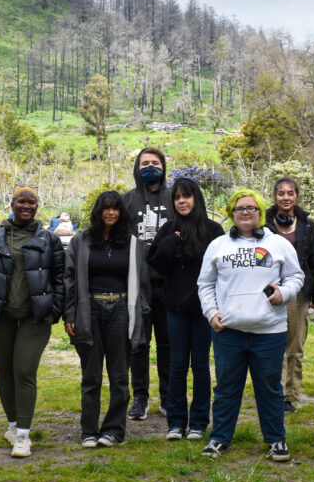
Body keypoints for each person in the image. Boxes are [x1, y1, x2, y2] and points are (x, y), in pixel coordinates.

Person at [197, 189, 304, 461]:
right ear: (232, 214)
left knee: (270, 389)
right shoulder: (218, 245)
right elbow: (205, 284)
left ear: (260, 212)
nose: (245, 212)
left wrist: (285, 293)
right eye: (239, 208)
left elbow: (295, 277)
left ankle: (276, 440)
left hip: (269, 331)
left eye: (251, 208)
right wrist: (211, 313)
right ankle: (220, 439)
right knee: (226, 388)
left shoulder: (279, 244)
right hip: (228, 331)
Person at [0, 185, 65, 458]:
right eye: (21, 202)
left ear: (37, 206)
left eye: (31, 202)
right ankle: (12, 425)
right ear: (11, 204)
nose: (26, 206)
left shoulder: (49, 240)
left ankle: (23, 434)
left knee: (24, 370)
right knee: (6, 372)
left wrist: (54, 309)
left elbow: (59, 278)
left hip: (36, 317)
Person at [64, 191, 150, 447]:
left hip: (122, 310)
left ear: (122, 213)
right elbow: (68, 278)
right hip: (88, 310)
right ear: (98, 211)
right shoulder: (81, 241)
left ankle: (114, 430)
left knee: (120, 375)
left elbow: (143, 282)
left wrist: (141, 314)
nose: (110, 213)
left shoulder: (133, 244)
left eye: (115, 208)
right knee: (91, 376)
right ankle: (89, 431)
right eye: (106, 208)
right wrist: (70, 314)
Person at [149, 178, 225, 440]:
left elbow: (222, 271)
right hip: (175, 309)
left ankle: (199, 422)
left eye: (187, 196)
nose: (182, 201)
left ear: (197, 199)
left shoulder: (214, 230)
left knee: (201, 365)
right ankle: (176, 422)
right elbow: (157, 264)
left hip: (205, 309)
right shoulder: (169, 229)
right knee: (177, 365)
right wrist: (168, 245)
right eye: (177, 197)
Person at [264, 177, 314, 413]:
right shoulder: (264, 224)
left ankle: (290, 395)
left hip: (299, 293)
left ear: (297, 196)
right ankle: (273, 392)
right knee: (273, 344)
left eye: (290, 193)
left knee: (295, 346)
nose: (286, 197)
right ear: (274, 196)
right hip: (269, 292)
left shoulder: (307, 225)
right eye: (281, 193)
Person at [122, 147, 174, 420]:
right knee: (138, 343)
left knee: (167, 344)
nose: (150, 167)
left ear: (164, 167)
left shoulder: (174, 197)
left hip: (169, 283)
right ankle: (140, 398)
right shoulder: (127, 200)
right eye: (145, 163)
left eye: (155, 163)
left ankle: (168, 397)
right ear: (137, 167)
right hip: (137, 284)